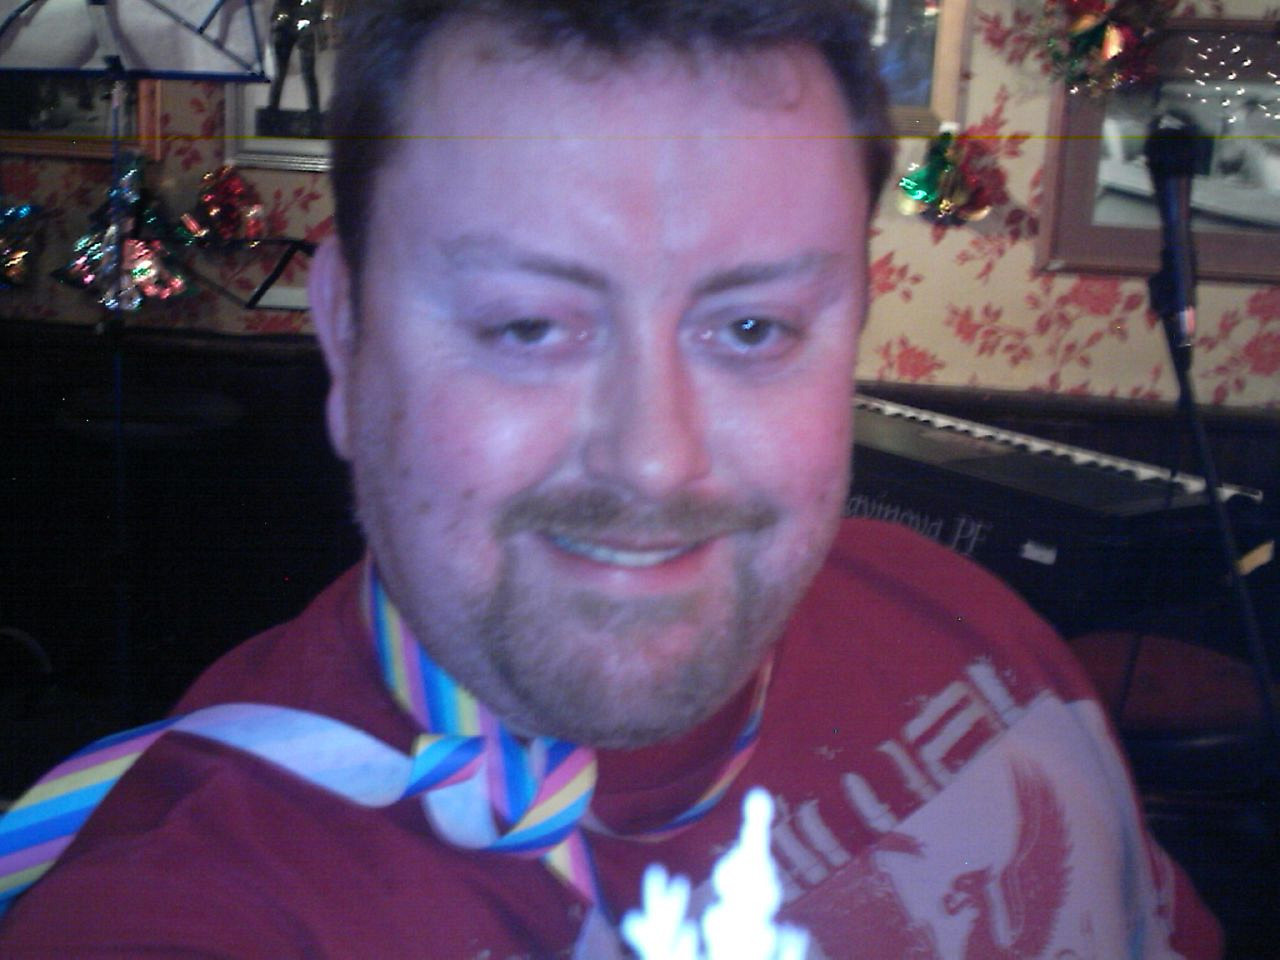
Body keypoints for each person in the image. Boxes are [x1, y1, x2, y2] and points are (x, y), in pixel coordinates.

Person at [0, 1, 1222, 956]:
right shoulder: (202, 899)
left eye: (752, 328)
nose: (653, 458)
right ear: (345, 331)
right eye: (527, 325)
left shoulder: (960, 617)